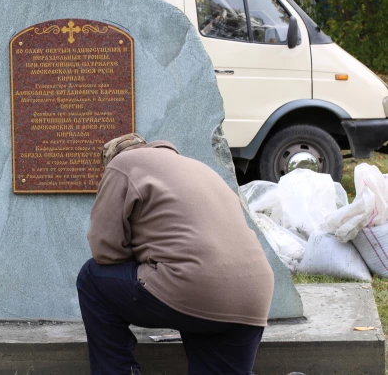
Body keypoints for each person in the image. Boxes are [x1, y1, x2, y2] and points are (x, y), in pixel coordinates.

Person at [76, 133, 275, 375]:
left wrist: (141, 258)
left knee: (92, 279)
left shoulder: (121, 165)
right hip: (253, 296)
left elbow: (105, 250)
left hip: (195, 289)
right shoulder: (199, 168)